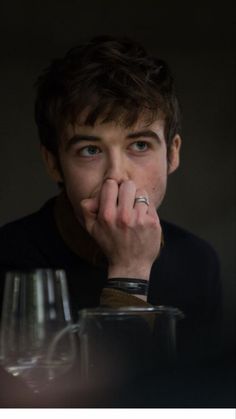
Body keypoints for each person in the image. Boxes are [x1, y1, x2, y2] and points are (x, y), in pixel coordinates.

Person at [0, 35, 224, 406]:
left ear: (172, 154)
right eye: (90, 150)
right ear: (53, 162)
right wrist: (129, 270)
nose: (117, 176)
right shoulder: (11, 261)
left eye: (139, 145)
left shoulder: (198, 264)